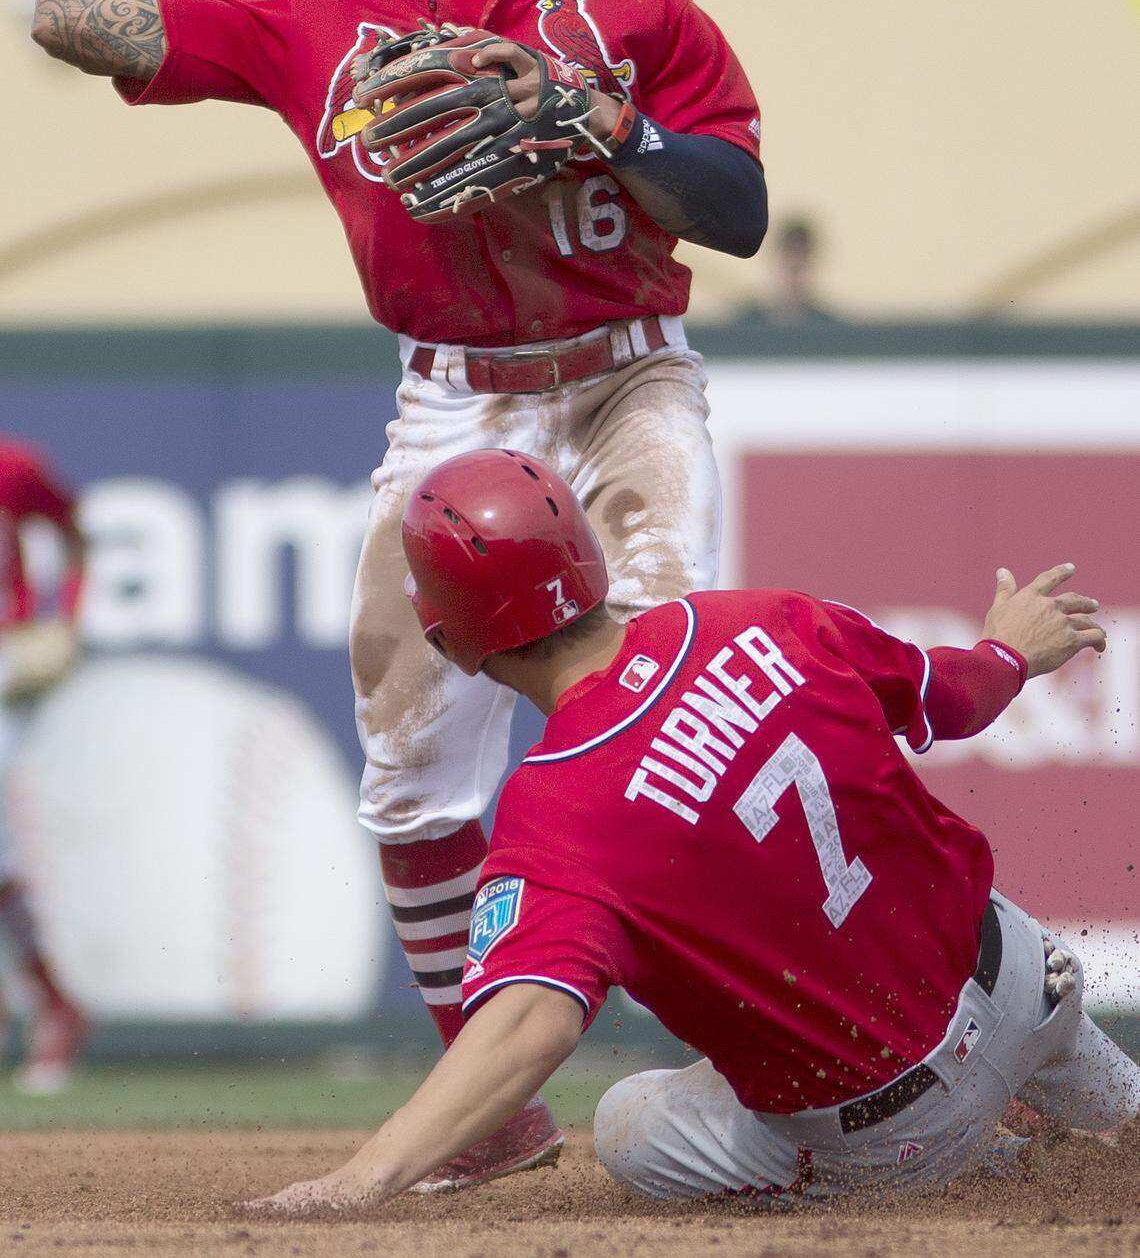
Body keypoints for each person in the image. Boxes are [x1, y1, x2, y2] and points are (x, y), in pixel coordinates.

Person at [29, 0, 766, 1186]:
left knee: (673, 708)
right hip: (451, 401)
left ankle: (768, 1057)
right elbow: (70, 20)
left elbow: (736, 210)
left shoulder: (628, 8)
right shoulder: (324, 27)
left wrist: (604, 121)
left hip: (625, 386)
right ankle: (485, 1111)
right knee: (409, 760)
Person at [257, 447, 1137, 1211]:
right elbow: (954, 696)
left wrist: (360, 1180)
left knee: (630, 1126)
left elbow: (529, 1028)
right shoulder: (756, 618)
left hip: (902, 1129)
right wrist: (1008, 654)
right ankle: (1085, 1113)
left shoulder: (556, 811)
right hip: (1029, 983)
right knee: (1125, 1129)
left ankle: (993, 1160)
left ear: (451, 641)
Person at [0, 437, 88, 1092]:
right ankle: (51, 1001)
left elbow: (74, 532)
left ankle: (52, 1005)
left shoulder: (14, 466)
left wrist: (68, 622)